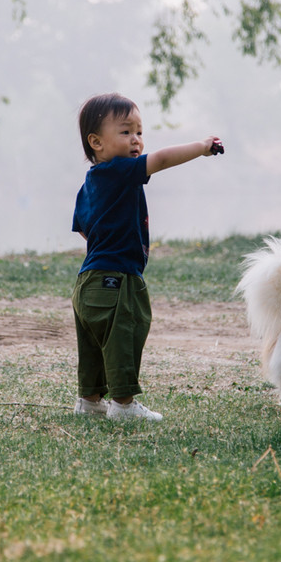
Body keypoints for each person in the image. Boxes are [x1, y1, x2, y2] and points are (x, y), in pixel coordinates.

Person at [71, 93, 223, 421]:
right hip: (117, 278)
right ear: (96, 142)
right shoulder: (121, 172)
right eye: (125, 132)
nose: (136, 140)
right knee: (125, 334)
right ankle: (123, 406)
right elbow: (162, 160)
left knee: (94, 344)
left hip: (88, 280)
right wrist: (201, 146)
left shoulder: (90, 183)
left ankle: (89, 401)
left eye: (139, 132)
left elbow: (84, 229)